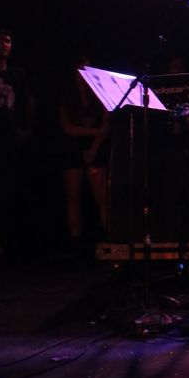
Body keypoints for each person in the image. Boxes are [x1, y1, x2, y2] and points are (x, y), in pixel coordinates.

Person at [0, 25, 35, 261]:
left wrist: (25, 130)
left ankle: (1, 244)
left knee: (5, 193)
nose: (4, 45)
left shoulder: (17, 75)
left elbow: (30, 103)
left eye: (8, 41)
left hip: (9, 143)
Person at [59, 55, 110, 256]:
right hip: (73, 148)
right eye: (80, 70)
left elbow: (106, 124)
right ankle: (76, 244)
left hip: (96, 146)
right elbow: (67, 127)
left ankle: (108, 238)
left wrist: (94, 147)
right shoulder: (67, 95)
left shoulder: (99, 93)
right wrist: (93, 132)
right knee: (73, 196)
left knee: (102, 197)